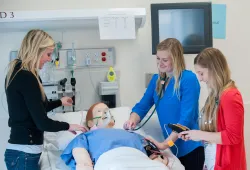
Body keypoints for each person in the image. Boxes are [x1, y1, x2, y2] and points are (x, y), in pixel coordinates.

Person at [4, 29, 87, 170]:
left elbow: (38, 107)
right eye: (48, 54)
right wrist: (68, 126)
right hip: (24, 155)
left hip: (22, 153)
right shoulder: (26, 77)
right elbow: (42, 123)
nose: (50, 59)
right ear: (36, 50)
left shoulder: (22, 72)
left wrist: (60, 102)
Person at [124, 38, 205, 170]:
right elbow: (142, 106)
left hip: (191, 149)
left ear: (176, 59)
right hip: (171, 151)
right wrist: (132, 120)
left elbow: (186, 120)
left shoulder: (188, 79)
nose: (160, 63)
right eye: (158, 59)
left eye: (165, 60)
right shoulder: (157, 80)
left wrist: (165, 144)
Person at [61, 102, 185, 170]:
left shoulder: (132, 134)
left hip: (142, 161)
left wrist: (160, 163)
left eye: (107, 111)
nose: (106, 113)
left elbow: (153, 154)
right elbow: (83, 163)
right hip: (113, 162)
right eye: (100, 111)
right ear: (91, 123)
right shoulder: (86, 136)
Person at [179, 48, 247, 170]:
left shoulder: (230, 96)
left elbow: (233, 136)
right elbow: (213, 132)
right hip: (212, 161)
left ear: (214, 70)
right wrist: (193, 135)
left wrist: (200, 134)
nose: (200, 78)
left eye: (201, 73)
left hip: (228, 164)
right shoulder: (214, 96)